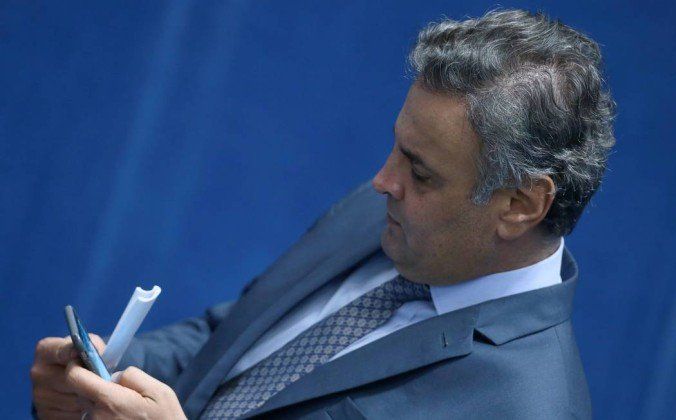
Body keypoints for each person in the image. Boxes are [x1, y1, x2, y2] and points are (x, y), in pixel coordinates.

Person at [30, 8, 615, 419]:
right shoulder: (383, 212)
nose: (383, 181)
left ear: (520, 205)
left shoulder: (529, 406)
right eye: (397, 148)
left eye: (422, 173)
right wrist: (107, 377)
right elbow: (229, 340)